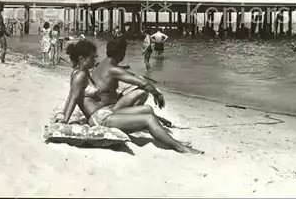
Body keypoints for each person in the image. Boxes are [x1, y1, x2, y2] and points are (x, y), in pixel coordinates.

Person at [54, 40, 202, 154]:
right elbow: (73, 98)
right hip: (100, 118)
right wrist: (65, 119)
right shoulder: (80, 75)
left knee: (147, 109)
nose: (95, 60)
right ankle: (180, 147)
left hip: (107, 112)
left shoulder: (82, 72)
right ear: (82, 58)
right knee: (148, 119)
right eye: (92, 58)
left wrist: (63, 114)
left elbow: (72, 96)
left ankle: (171, 139)